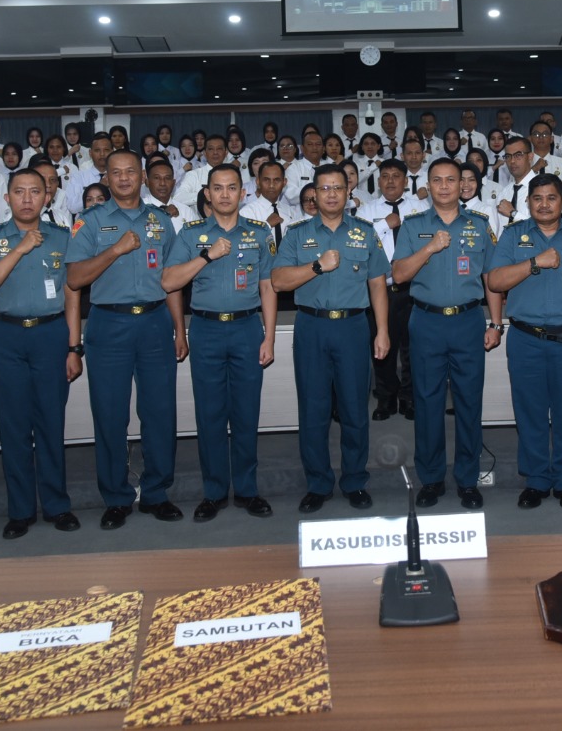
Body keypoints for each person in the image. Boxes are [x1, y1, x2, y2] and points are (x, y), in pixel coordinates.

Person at [67, 149, 184, 529]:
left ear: (143, 177)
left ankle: (156, 493)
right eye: (115, 173)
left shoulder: (161, 222)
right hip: (109, 325)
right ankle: (116, 497)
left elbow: (171, 281)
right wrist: (115, 250)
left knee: (160, 412)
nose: (122, 178)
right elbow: (74, 278)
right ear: (107, 178)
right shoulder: (89, 222)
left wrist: (179, 328)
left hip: (154, 323)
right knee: (110, 414)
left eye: (130, 172)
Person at [486, 174, 562, 510]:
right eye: (537, 198)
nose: (544, 204)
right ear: (528, 202)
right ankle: (538, 479)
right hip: (525, 339)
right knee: (530, 412)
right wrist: (533, 263)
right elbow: (495, 281)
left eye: (551, 198)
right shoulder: (514, 236)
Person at [162, 164, 279, 522]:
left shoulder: (260, 233)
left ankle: (247, 490)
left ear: (243, 194)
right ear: (207, 195)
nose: (225, 194)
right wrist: (206, 255)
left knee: (246, 413)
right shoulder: (191, 234)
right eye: (218, 188)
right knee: (210, 415)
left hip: (246, 330)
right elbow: (169, 282)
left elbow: (267, 287)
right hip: (207, 330)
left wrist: (269, 337)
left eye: (232, 188)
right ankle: (213, 492)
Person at [0, 168, 83, 540]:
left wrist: (73, 346)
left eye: (35, 191)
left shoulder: (62, 238)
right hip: (5, 335)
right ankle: (20, 510)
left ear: (46, 198)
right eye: (19, 192)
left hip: (51, 335)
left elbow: (71, 294)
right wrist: (19, 248)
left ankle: (56, 504)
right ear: (6, 199)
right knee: (14, 425)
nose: (27, 198)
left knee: (51, 422)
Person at [272, 164, 390, 512]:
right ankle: (318, 483)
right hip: (312, 326)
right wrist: (317, 266)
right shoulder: (296, 234)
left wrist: (382, 330)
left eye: (338, 188)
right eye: (324, 189)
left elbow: (378, 284)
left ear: (348, 192)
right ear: (314, 194)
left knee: (355, 408)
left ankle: (354, 480)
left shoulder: (365, 232)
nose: (332, 194)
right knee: (313, 409)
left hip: (354, 327)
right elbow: (278, 281)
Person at [391, 158, 501, 509]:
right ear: (428, 185)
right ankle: (432, 478)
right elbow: (399, 274)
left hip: (468, 321)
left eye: (450, 180)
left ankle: (468, 479)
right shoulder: (413, 226)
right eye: (436, 180)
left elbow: (491, 279)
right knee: (427, 402)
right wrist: (429, 248)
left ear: (463, 185)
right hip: (426, 322)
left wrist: (496, 324)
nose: (443, 186)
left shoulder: (480, 225)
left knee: (469, 402)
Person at [360, 159, 427, 420]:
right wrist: (383, 225)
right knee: (382, 347)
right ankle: (385, 399)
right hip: (381, 290)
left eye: (396, 176)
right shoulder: (367, 210)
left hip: (414, 288)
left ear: (405, 180)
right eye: (385, 176)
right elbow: (360, 243)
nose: (390, 181)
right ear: (378, 182)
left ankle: (409, 398)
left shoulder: (420, 208)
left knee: (413, 349)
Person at [485, 135, 537, 233]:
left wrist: (513, 214)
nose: (512, 161)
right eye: (508, 156)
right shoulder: (504, 192)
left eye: (518, 155)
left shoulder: (542, 188)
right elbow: (497, 230)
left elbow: (545, 227)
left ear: (530, 157)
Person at [241, 160, 300, 246]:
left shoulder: (291, 212)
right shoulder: (247, 212)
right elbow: (244, 244)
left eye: (277, 180)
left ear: (284, 182)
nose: (271, 185)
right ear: (258, 182)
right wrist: (266, 226)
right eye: (266, 180)